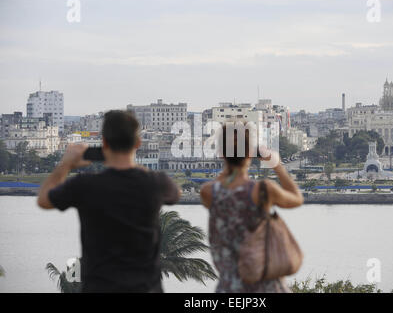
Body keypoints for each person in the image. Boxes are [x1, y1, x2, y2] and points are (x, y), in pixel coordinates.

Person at [37, 110, 180, 293]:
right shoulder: (156, 183)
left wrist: (66, 164)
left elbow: (44, 200)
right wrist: (135, 166)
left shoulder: (84, 185)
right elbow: (176, 193)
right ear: (137, 143)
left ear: (104, 143)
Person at [200, 124, 304, 293]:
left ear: (221, 153)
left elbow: (225, 183)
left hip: (229, 287)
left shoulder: (209, 192)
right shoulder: (263, 190)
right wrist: (277, 165)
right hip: (266, 286)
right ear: (250, 153)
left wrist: (228, 166)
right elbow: (297, 199)